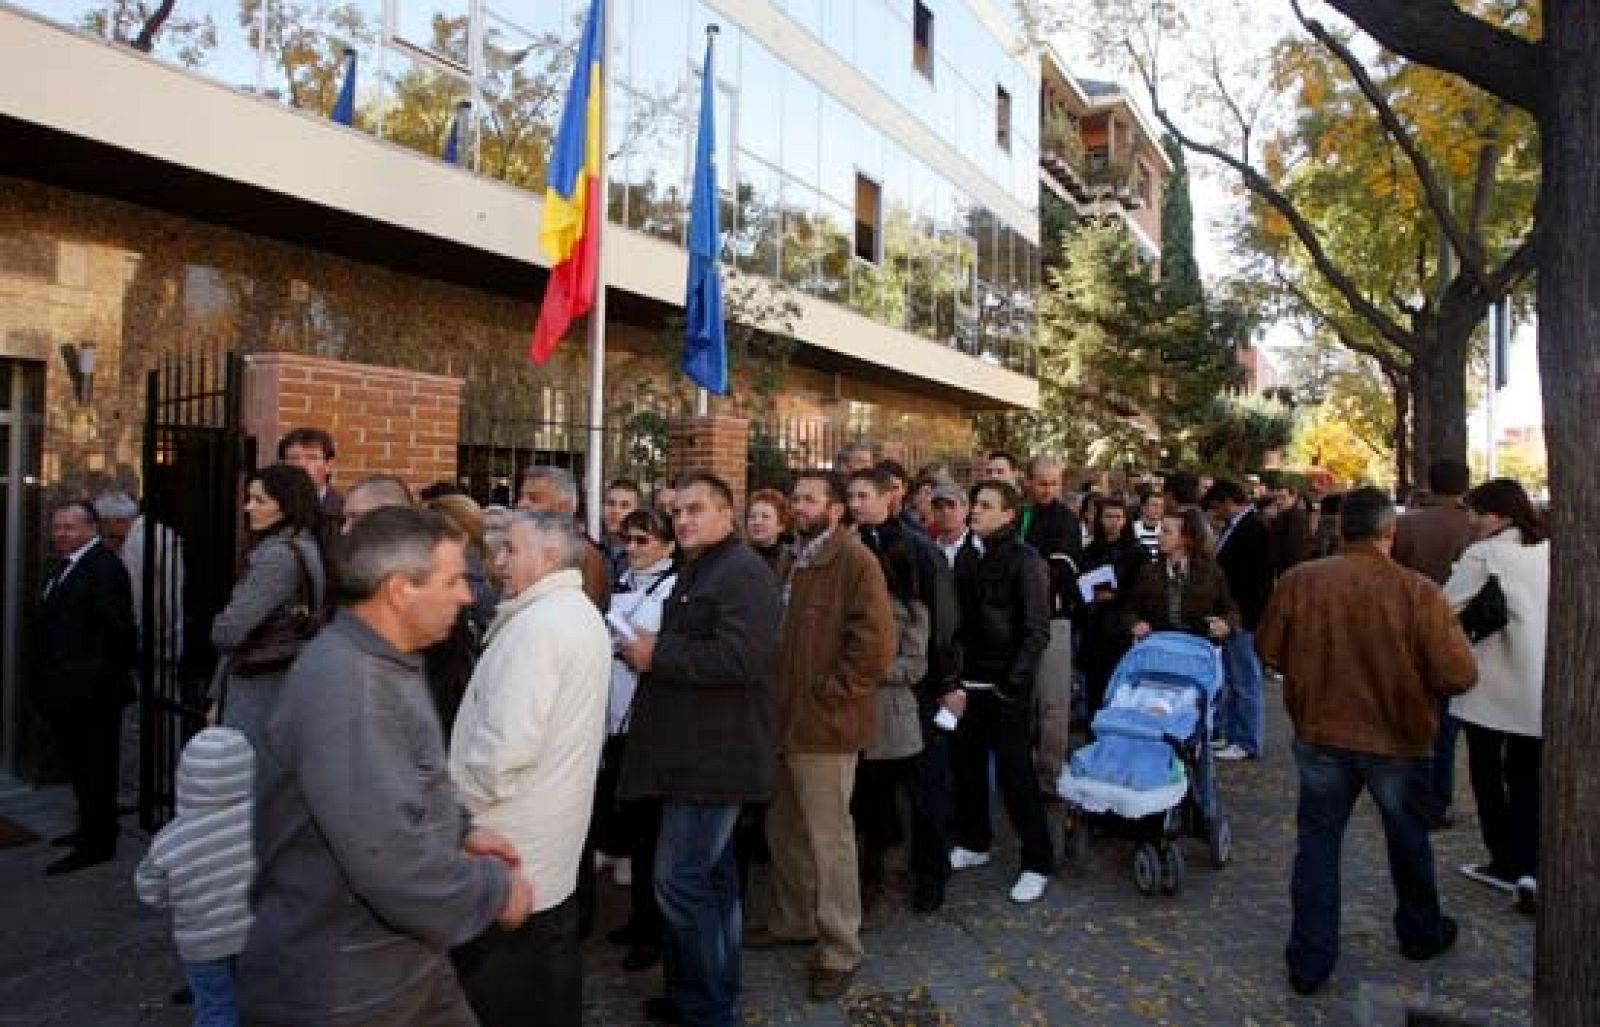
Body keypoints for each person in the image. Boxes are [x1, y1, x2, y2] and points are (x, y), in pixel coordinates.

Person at [240, 506, 532, 1026]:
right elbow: (389, 859)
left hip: (401, 968)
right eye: (452, 580)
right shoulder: (353, 686)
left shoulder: (386, 660)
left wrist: (460, 831)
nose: (467, 595)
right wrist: (495, 891)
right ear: (400, 590)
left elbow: (401, 780)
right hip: (345, 987)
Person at [1255, 487, 1477, 996]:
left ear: (1338, 529)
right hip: (1397, 737)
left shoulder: (1299, 582)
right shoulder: (1418, 592)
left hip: (1322, 731)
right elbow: (1457, 674)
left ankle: (1310, 959)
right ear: (1388, 533)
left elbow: (1270, 648)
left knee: (1317, 843)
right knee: (1408, 840)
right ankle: (1421, 932)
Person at [616, 470, 782, 1027]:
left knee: (680, 881)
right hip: (693, 754)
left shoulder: (741, 573)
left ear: (726, 514)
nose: (682, 520)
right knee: (711, 881)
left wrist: (656, 654)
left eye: (695, 510)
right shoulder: (704, 567)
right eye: (677, 511)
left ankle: (708, 1009)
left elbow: (743, 659)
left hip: (717, 758)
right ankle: (703, 994)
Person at [449, 512, 612, 1026]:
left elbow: (502, 751)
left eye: (510, 550)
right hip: (542, 846)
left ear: (548, 555)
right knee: (545, 987)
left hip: (511, 843)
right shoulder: (570, 613)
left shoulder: (541, 626)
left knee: (508, 994)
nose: (497, 562)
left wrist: (455, 817)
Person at [755, 470, 894, 1001]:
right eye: (795, 497)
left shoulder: (856, 562)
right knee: (784, 828)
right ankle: (794, 921)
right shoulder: (795, 558)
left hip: (826, 727)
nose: (799, 505)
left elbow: (875, 649)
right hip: (784, 720)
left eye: (810, 499)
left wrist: (829, 694)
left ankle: (839, 947)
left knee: (828, 839)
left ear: (836, 509)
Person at [848, 469, 962, 914]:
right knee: (874, 792)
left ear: (887, 498)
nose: (856, 503)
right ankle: (878, 874)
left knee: (925, 792)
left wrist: (948, 683)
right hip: (868, 690)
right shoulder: (848, 547)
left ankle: (931, 876)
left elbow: (942, 619)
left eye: (864, 495)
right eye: (851, 495)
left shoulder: (917, 549)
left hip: (919, 686)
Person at [1441, 479, 1549, 913]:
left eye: (1478, 512)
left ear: (1501, 515)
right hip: (1538, 679)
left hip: (1491, 679)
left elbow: (1443, 606)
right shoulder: (1549, 549)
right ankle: (1531, 864)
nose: (1471, 520)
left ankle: (1503, 860)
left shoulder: (1484, 554)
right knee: (1527, 777)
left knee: (1486, 772)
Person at [949, 480, 1054, 904]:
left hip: (1006, 684)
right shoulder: (967, 558)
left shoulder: (1027, 561)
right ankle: (975, 842)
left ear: (1009, 514)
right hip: (969, 678)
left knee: (1015, 774)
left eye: (986, 506)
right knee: (967, 765)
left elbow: (1036, 630)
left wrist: (1013, 682)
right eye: (975, 504)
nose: (975, 511)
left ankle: (1037, 861)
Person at [597, 509, 678, 972]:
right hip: (615, 717)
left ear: (667, 546)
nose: (633, 548)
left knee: (651, 833)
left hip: (647, 722)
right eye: (628, 539)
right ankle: (639, 918)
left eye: (644, 540)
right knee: (630, 825)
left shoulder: (671, 587)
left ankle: (654, 928)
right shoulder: (623, 579)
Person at [38, 499, 137, 875]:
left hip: (92, 693)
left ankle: (99, 842)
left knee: (97, 768)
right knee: (81, 767)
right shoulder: (63, 567)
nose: (61, 534)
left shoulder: (103, 567)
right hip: (66, 689)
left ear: (92, 529)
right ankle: (88, 830)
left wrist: (94, 681)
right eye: (57, 527)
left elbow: (118, 632)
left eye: (69, 527)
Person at [135, 727, 255, 1027]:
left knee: (215, 1009)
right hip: (255, 935)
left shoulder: (171, 840)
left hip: (202, 944)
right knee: (256, 1003)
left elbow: (149, 890)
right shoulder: (262, 823)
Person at [208, 464, 326, 747]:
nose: (249, 507)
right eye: (249, 498)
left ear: (286, 506)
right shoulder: (300, 545)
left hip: (263, 680)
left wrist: (219, 625)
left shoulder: (279, 556)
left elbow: (229, 631)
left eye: (260, 500)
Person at [849, 531, 931, 926]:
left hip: (893, 722)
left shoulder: (913, 610)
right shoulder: (858, 606)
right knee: (861, 807)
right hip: (857, 718)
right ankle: (863, 881)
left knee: (889, 811)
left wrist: (873, 668)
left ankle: (888, 886)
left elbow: (915, 666)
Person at [1393, 458, 1476, 830]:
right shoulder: (1474, 526)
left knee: (1410, 711)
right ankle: (1438, 799)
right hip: (1463, 627)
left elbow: (1392, 571)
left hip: (1411, 625)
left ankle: (1408, 790)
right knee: (1448, 720)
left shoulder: (1408, 523)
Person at [1203, 479, 1274, 762]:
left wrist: (1243, 618)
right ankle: (1234, 734)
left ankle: (1247, 739)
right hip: (1236, 615)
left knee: (1245, 680)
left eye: (1216, 506)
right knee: (1234, 678)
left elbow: (1258, 579)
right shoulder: (1241, 527)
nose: (1215, 512)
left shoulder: (1253, 528)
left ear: (1227, 502)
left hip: (1245, 617)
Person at [1076, 497, 1149, 714]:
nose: (1114, 522)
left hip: (1122, 628)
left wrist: (1116, 595)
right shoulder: (1090, 551)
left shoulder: (1137, 552)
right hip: (1094, 626)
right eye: (1108, 516)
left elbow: (1143, 590)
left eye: (1119, 517)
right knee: (1094, 688)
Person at [1124, 509, 1238, 644]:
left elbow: (1230, 610)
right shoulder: (1148, 571)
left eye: (1166, 531)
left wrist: (1226, 624)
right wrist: (1135, 623)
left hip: (1198, 646)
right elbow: (1130, 609)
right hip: (1156, 645)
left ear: (1185, 538)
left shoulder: (1210, 572)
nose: (1159, 535)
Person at [515, 465, 611, 613]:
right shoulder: (524, 548)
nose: (521, 505)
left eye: (534, 499)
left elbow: (582, 618)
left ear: (564, 508)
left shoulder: (585, 557)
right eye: (521, 497)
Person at [277, 427, 342, 520]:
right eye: (293, 458)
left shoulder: (344, 513)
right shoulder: (268, 509)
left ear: (328, 465)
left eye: (312, 458)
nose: (302, 464)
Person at [602, 478, 645, 584]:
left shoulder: (646, 551)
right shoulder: (591, 545)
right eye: (611, 503)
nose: (616, 511)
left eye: (625, 505)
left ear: (637, 511)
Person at [745, 488, 793, 577]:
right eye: (752, 516)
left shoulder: (792, 561)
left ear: (781, 525)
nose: (757, 522)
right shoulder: (738, 557)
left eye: (765, 517)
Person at [929, 482, 970, 566]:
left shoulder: (979, 548)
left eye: (951, 506)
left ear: (965, 508)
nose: (945, 512)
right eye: (938, 507)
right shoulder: (927, 548)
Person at [1132, 489, 1163, 560]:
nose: (1158, 509)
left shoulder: (1165, 529)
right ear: (1143, 508)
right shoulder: (1132, 529)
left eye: (1161, 506)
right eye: (1154, 505)